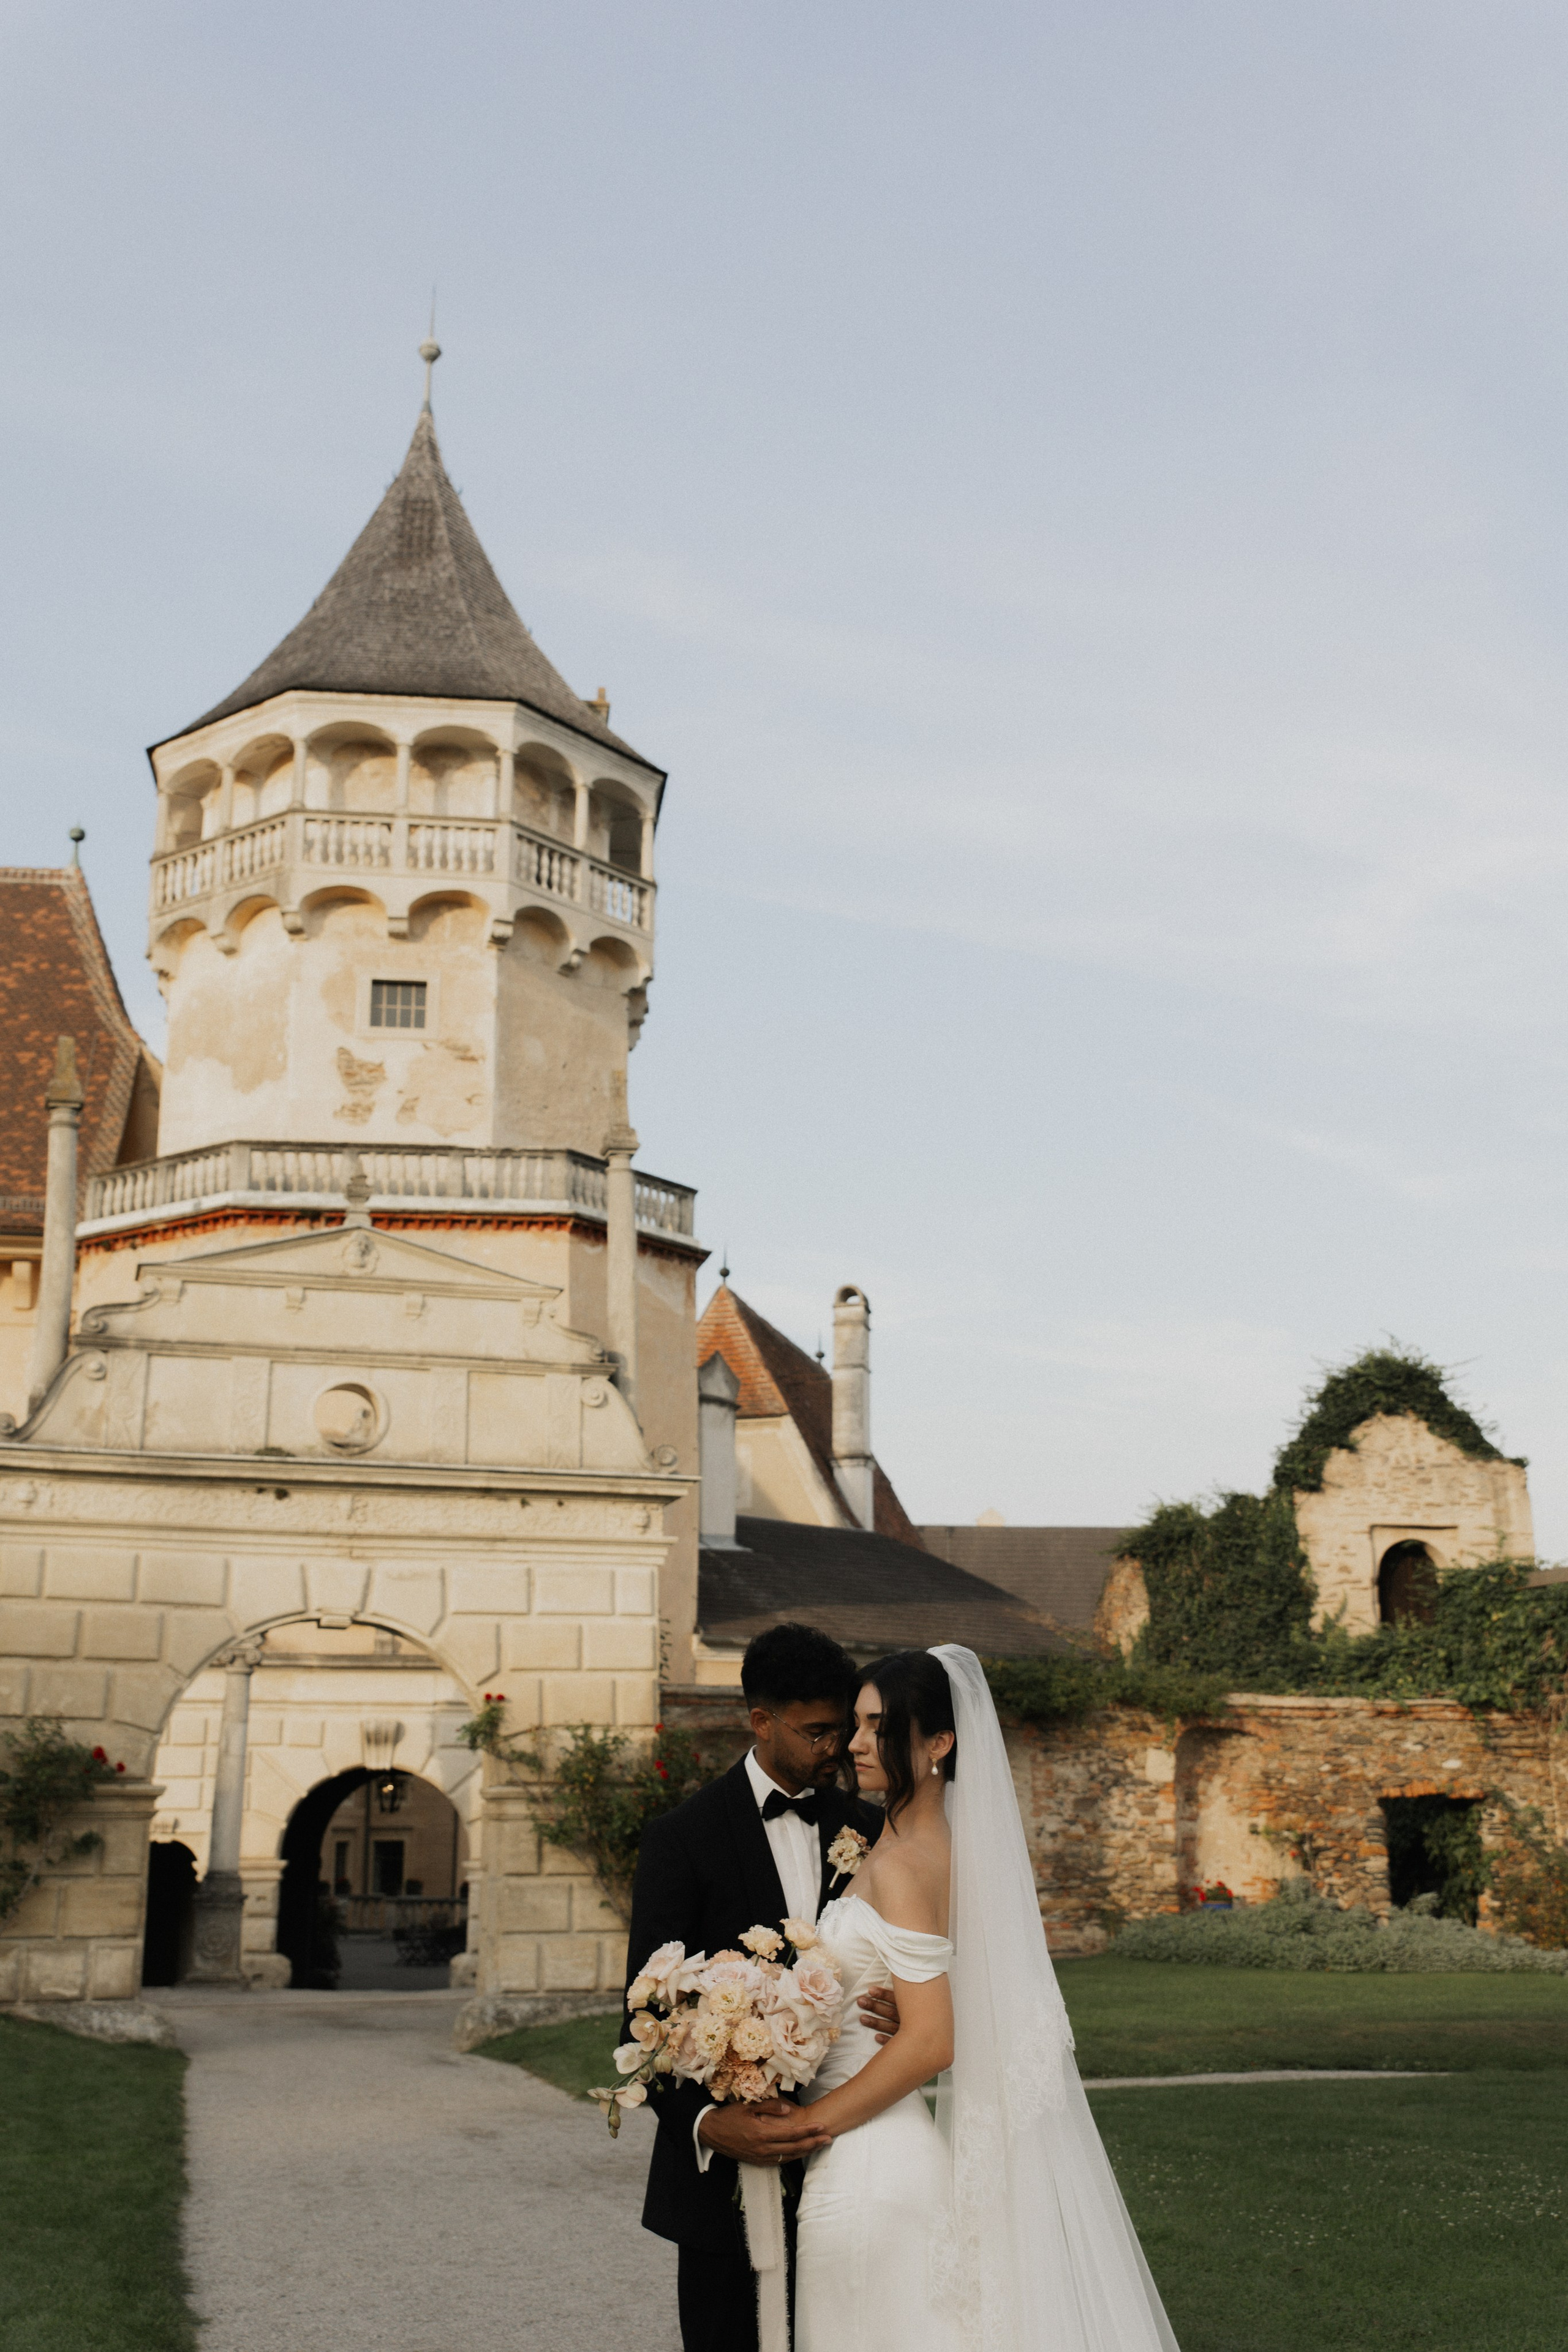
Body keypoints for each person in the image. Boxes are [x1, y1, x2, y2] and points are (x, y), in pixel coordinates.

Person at [793, 1645, 1181, 2352]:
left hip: (868, 2162)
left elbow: (932, 2039)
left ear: (939, 1742)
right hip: (879, 2147)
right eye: (855, 1723)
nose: (854, 1743)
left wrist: (807, 2127)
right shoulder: (918, 1845)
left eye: (878, 1726)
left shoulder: (907, 1862)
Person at [625, 1621, 892, 2352]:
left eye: (842, 1729)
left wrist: (897, 2002)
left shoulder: (872, 1831)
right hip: (720, 2188)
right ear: (760, 1722)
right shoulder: (682, 1839)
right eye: (815, 1732)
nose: (835, 1748)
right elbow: (641, 2025)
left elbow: (904, 1966)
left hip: (856, 2158)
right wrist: (708, 2128)